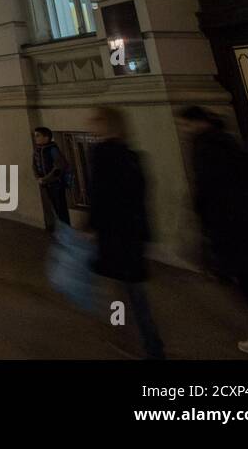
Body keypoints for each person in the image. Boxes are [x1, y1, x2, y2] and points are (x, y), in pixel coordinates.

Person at [184, 105, 248, 359]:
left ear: (196, 123)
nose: (185, 129)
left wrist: (200, 215)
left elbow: (206, 189)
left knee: (245, 279)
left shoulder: (205, 148)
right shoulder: (233, 144)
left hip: (229, 225)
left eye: (186, 124)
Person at [86, 106, 165, 359]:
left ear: (105, 124)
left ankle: (130, 339)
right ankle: (148, 344)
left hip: (113, 234)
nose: (91, 126)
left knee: (122, 291)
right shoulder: (132, 155)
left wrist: (90, 225)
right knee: (133, 291)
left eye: (95, 121)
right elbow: (141, 194)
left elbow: (101, 196)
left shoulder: (102, 154)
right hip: (132, 232)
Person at [32, 126, 72, 230]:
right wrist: (38, 178)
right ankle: (61, 228)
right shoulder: (38, 150)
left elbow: (59, 167)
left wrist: (45, 179)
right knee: (54, 207)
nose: (35, 138)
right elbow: (34, 165)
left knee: (60, 208)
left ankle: (66, 230)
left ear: (46, 137)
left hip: (56, 184)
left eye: (38, 136)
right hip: (46, 184)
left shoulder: (52, 149)